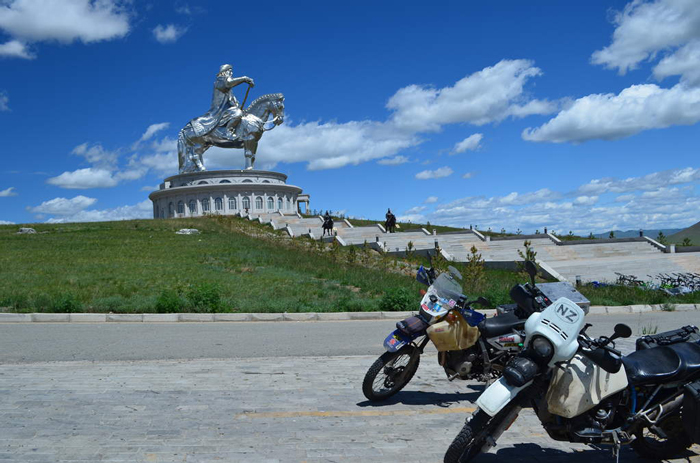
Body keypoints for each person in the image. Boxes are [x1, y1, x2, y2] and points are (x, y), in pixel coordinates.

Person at [189, 64, 255, 138]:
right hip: (220, 110)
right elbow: (229, 83)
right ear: (225, 72)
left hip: (227, 109)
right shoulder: (220, 81)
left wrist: (238, 105)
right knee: (237, 113)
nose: (231, 73)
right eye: (230, 71)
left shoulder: (227, 87)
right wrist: (244, 78)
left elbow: (231, 100)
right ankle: (228, 132)